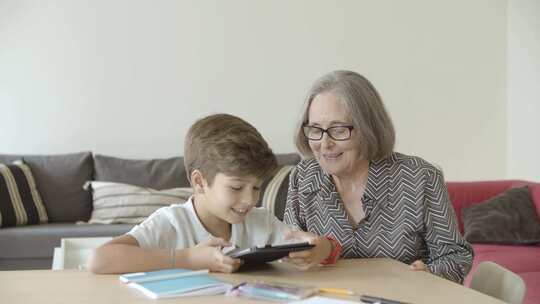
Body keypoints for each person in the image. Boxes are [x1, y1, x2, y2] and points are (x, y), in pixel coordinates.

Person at [283, 70, 473, 283]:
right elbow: (287, 253)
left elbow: (456, 256)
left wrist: (429, 274)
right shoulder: (303, 177)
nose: (325, 144)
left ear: (367, 128)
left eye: (338, 130)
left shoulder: (420, 178)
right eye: (315, 129)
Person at [88, 113, 334, 274]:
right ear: (199, 182)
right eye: (236, 187)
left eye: (256, 187)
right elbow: (100, 259)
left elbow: (318, 245)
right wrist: (187, 259)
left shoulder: (261, 222)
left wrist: (320, 248)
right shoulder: (171, 223)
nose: (250, 199)